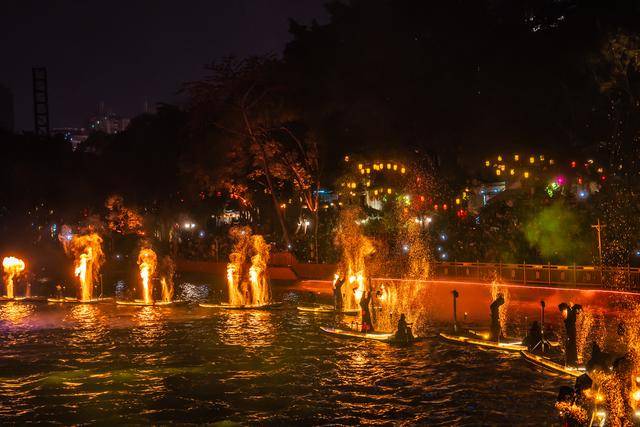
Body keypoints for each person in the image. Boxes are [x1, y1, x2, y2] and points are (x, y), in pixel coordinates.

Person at [558, 302, 582, 367]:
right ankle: (572, 361)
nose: (561, 312)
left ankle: (571, 362)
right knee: (571, 345)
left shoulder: (569, 311)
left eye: (561, 310)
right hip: (571, 331)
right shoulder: (570, 310)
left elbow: (570, 320)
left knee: (570, 345)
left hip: (570, 331)